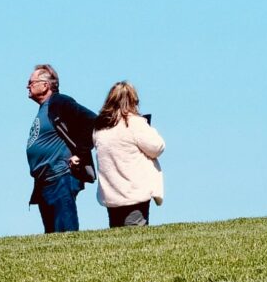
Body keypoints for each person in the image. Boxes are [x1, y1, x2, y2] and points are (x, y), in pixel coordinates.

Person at [24, 63, 100, 234]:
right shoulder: (44, 109)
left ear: (45, 85)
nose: (28, 86)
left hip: (60, 177)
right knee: (52, 238)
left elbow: (91, 121)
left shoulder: (59, 102)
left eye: (31, 82)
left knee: (66, 235)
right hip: (45, 182)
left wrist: (79, 154)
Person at [92, 81, 165, 228]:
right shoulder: (135, 123)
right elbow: (157, 147)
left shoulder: (99, 128)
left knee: (116, 232)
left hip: (111, 193)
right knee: (135, 235)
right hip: (134, 192)